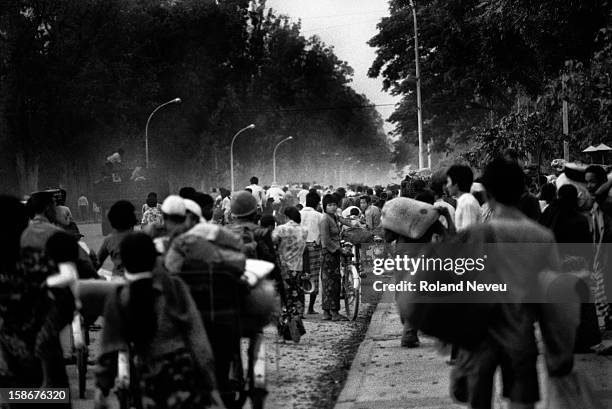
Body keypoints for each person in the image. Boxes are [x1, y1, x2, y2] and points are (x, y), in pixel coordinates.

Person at [449, 158, 574, 409]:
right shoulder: (541, 237)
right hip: (520, 334)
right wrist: (559, 351)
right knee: (521, 403)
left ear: (488, 192)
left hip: (479, 336)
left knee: (478, 402)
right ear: (521, 190)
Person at [94, 232, 224, 409]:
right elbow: (197, 338)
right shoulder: (174, 287)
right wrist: (211, 386)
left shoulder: (118, 297)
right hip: (184, 378)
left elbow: (110, 347)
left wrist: (102, 388)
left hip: (145, 382)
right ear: (155, 259)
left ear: (123, 261)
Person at [0, 196, 74, 405]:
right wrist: (45, 339)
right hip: (47, 366)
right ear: (23, 225)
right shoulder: (38, 260)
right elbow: (66, 303)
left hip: (11, 366)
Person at [382, 197, 453, 347]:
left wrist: (389, 223)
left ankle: (409, 330)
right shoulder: (431, 220)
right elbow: (450, 237)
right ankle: (409, 332)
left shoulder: (402, 218)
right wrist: (446, 216)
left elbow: (388, 238)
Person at [272, 207, 308, 341]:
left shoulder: (281, 229)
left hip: (283, 269)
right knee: (296, 299)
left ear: (286, 216)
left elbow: (272, 243)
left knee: (281, 300)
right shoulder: (304, 230)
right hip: (297, 269)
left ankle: (282, 332)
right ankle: (295, 326)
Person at [585, 164, 612, 328]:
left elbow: (600, 193)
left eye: (593, 182)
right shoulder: (595, 205)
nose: (589, 186)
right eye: (587, 182)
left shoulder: (606, 202)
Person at [319, 194, 348, 321]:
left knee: (329, 282)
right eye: (329, 205)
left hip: (333, 252)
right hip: (329, 253)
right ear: (324, 206)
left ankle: (327, 311)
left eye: (334, 204)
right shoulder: (325, 219)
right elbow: (325, 239)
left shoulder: (333, 217)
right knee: (332, 283)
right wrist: (339, 249)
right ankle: (334, 312)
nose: (332, 207)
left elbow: (344, 222)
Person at [97, 200, 138, 277]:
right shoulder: (142, 237)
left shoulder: (109, 240)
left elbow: (97, 263)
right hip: (138, 279)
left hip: (118, 279)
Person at [301, 192, 323, 314]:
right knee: (313, 277)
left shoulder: (298, 214)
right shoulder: (319, 216)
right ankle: (310, 308)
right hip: (314, 247)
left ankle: (301, 308)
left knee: (301, 275)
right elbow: (321, 233)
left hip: (300, 248)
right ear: (316, 203)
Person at [447, 164, 481, 231]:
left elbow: (469, 234)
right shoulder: (463, 201)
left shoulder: (467, 203)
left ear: (456, 184)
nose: (447, 186)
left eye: (448, 182)